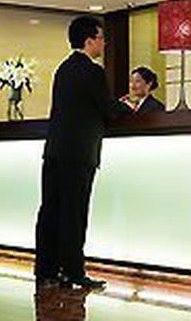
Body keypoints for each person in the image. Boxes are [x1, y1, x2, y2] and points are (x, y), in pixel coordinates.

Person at [35, 16, 126, 290]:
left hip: (54, 151)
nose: (104, 43)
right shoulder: (92, 70)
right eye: (101, 38)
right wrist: (126, 107)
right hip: (79, 153)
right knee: (74, 213)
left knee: (51, 210)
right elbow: (107, 109)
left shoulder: (63, 69)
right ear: (89, 40)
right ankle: (74, 272)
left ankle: (47, 271)